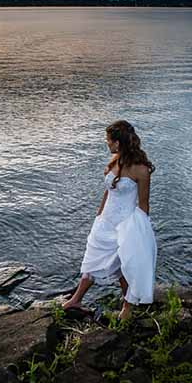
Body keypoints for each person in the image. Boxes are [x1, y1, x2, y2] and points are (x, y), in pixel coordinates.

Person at [62, 120, 157, 320]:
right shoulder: (114, 161)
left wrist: (140, 233)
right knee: (92, 261)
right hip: (105, 222)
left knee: (125, 266)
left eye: (108, 139)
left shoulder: (141, 170)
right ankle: (76, 299)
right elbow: (109, 191)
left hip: (126, 225)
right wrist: (99, 215)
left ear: (117, 142)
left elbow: (143, 204)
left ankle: (127, 307)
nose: (106, 142)